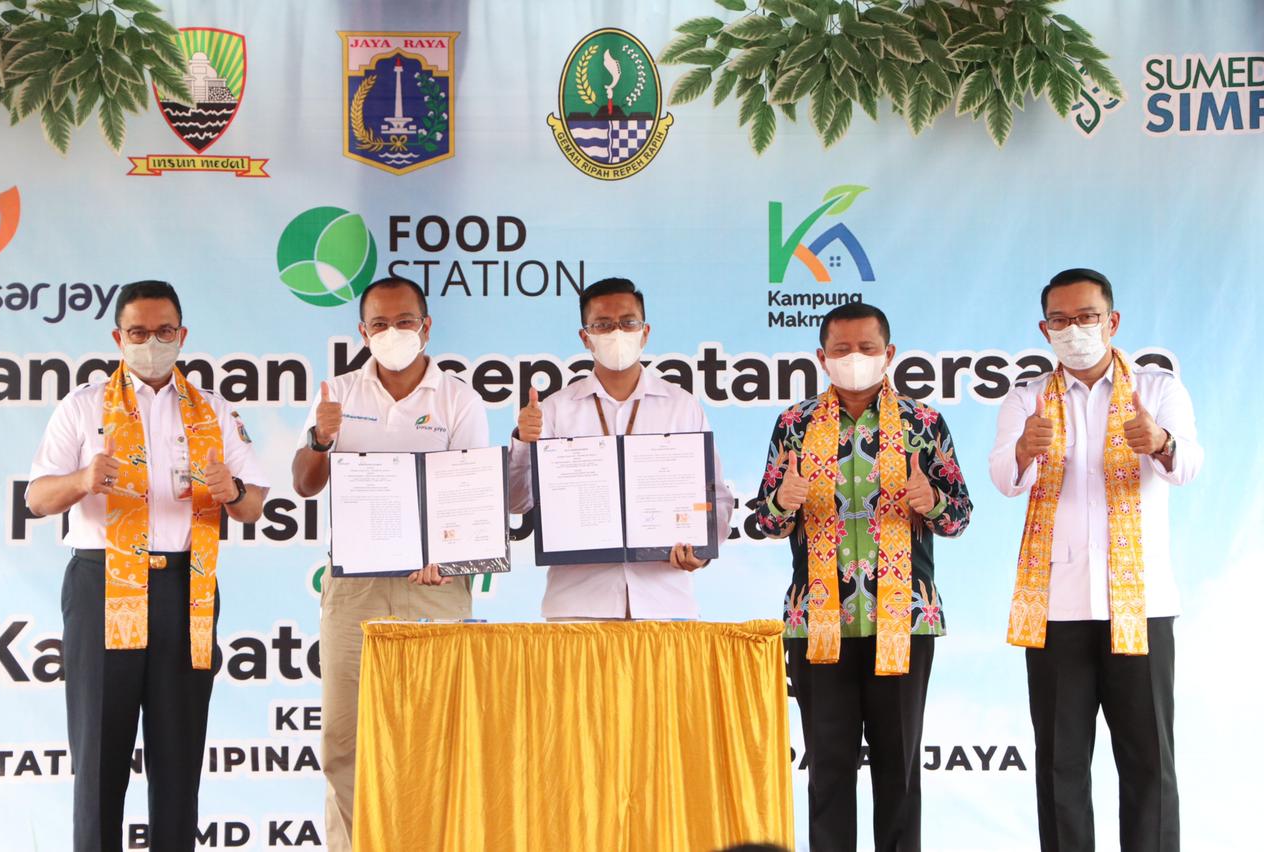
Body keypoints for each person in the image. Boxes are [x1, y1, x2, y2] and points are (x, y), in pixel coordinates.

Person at [25, 280, 269, 852]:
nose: (152, 343)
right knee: (99, 760)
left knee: (178, 762)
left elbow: (254, 505)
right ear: (118, 337)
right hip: (103, 582)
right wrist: (83, 480)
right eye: (139, 333)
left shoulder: (212, 407)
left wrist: (231, 490)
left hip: (186, 588)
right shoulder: (83, 406)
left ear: (182, 335)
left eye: (164, 332)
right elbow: (37, 497)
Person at [989, 268, 1202, 852]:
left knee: (1149, 766)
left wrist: (1159, 442)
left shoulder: (1157, 390)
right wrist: (1025, 451)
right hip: (1056, 610)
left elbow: (1187, 467)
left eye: (1086, 317)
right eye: (1060, 320)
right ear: (1044, 328)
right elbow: (1005, 479)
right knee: (1060, 769)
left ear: (1112, 321)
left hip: (1142, 605)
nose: (1074, 329)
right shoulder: (1027, 397)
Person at [752, 302, 972, 852]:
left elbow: (960, 516)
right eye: (843, 350)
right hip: (817, 626)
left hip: (904, 620)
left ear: (889, 354)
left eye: (868, 348)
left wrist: (933, 499)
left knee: (898, 778)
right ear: (822, 358)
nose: (856, 359)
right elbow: (763, 521)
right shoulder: (794, 425)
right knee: (828, 776)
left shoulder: (923, 424)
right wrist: (782, 501)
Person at [291, 276, 488, 852]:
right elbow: (304, 484)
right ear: (363, 332)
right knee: (344, 742)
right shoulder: (339, 395)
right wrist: (321, 440)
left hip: (435, 587)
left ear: (426, 327)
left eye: (405, 322)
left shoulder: (459, 399)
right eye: (380, 324)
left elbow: (473, 497)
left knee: (436, 738)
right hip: (355, 588)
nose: (393, 332)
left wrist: (447, 557)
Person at [508, 277, 732, 618]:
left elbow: (716, 497)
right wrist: (524, 442)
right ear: (585, 336)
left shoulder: (681, 406)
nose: (617, 333)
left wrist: (702, 550)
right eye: (603, 325)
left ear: (645, 332)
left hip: (665, 603)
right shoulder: (553, 409)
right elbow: (516, 501)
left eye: (628, 323)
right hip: (577, 607)